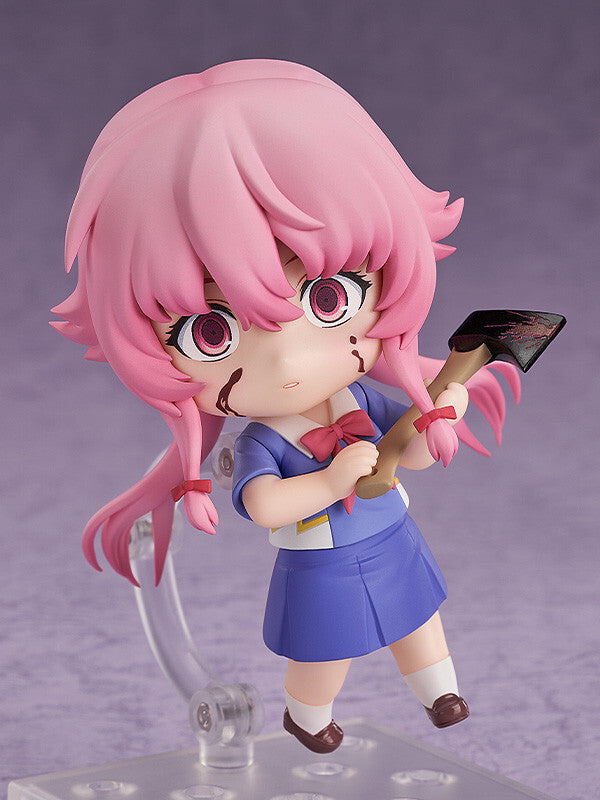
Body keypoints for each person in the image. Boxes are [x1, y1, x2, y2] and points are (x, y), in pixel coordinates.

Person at [52, 59, 519, 753]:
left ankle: (439, 692)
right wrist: (330, 482)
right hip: (321, 560)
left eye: (328, 296)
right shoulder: (263, 443)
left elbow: (411, 453)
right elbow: (264, 504)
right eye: (210, 332)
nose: (289, 362)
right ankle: (307, 716)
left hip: (391, 536)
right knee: (326, 649)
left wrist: (439, 413)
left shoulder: (361, 397)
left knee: (419, 617)